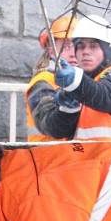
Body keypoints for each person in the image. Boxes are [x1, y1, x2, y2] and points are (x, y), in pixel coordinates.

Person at [29, 14, 111, 142]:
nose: (85, 51)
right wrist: (67, 109)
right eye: (80, 46)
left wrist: (76, 83)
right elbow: (57, 130)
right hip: (82, 160)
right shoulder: (75, 85)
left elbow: (105, 96)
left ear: (107, 50)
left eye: (93, 46)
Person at [25, 14, 79, 142]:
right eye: (65, 46)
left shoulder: (86, 81)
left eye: (77, 46)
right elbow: (49, 122)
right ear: (51, 50)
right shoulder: (44, 81)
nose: (73, 53)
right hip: (47, 158)